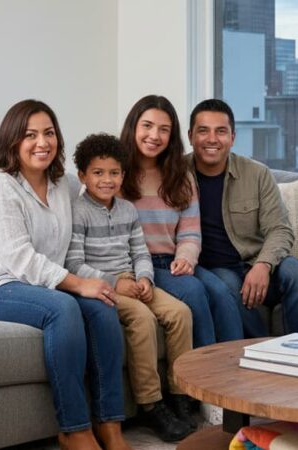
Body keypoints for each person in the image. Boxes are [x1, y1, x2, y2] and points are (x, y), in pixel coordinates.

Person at [0, 100, 131, 450]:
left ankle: (110, 425)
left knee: (102, 306)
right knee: (63, 308)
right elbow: (19, 258)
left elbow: (93, 215)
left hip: (41, 286)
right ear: (12, 141)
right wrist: (79, 284)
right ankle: (73, 429)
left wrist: (105, 278)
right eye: (30, 135)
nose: (42, 142)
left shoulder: (63, 185)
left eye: (49, 133)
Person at [64, 133, 195, 440]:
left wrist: (146, 278)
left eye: (113, 173)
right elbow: (73, 263)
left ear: (123, 175)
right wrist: (115, 284)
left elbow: (140, 252)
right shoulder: (77, 212)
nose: (106, 180)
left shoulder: (127, 210)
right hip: (101, 284)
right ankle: (152, 404)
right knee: (142, 319)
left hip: (134, 279)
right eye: (98, 173)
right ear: (82, 175)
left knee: (180, 313)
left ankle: (181, 396)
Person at [186, 98, 298, 337]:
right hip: (215, 269)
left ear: (232, 137)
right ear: (190, 136)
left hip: (256, 261)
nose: (212, 139)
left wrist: (263, 265)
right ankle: (265, 356)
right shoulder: (176, 174)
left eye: (221, 131)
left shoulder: (256, 173)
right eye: (203, 131)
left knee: (297, 272)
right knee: (227, 285)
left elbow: (280, 229)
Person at [120, 95, 244, 348]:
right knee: (194, 291)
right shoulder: (115, 174)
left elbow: (189, 233)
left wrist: (186, 259)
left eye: (163, 129)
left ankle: (237, 368)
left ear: (172, 136)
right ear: (133, 126)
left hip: (175, 262)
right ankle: (205, 374)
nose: (154, 135)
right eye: (147, 126)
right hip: (138, 266)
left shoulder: (180, 176)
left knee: (221, 291)